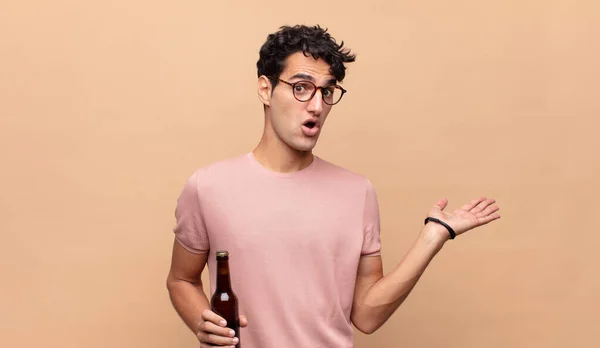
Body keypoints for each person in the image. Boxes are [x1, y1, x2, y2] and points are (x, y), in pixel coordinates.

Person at [165, 24, 500, 348]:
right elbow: (181, 279)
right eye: (301, 87)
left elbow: (367, 316)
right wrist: (202, 322)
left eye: (326, 91)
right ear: (265, 89)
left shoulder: (357, 193)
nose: (316, 105)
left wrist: (433, 236)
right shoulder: (208, 187)